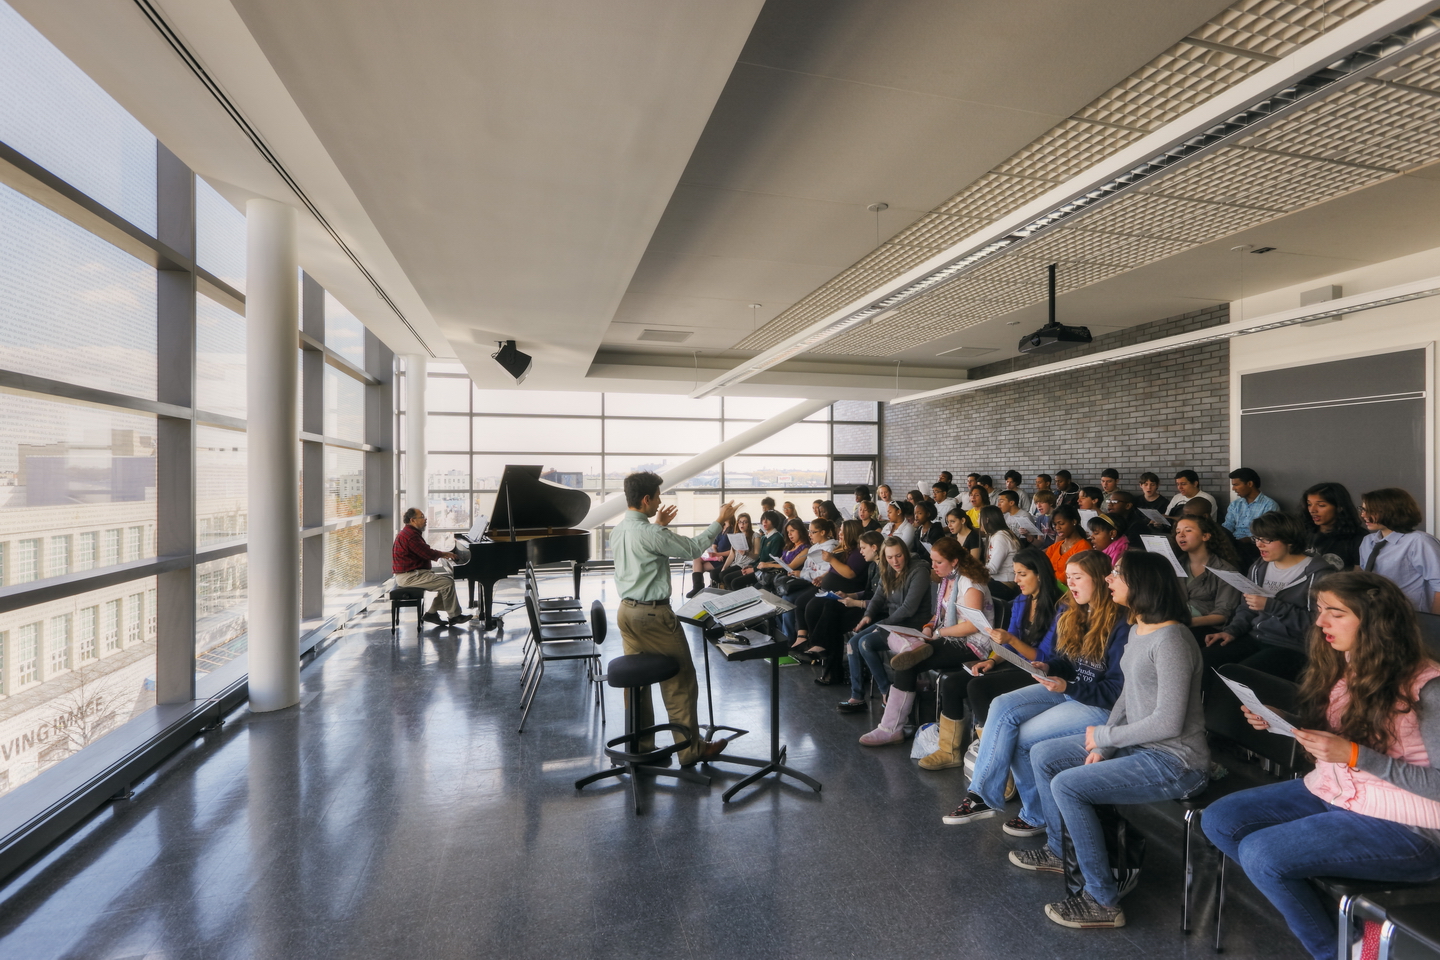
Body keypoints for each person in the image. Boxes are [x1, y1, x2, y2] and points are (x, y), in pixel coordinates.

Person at [1203, 572, 1440, 960]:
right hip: (1338, 791)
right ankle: (1351, 930)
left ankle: (1337, 952)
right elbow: (1347, 738)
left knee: (1263, 855)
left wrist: (1354, 755)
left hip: (1412, 829)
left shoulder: (1429, 687)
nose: (1319, 622)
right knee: (1220, 820)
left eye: (1335, 613)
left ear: (1376, 621)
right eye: (1319, 610)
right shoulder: (1350, 665)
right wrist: (1286, 721)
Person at [1024, 551, 1208, 930]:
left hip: (1177, 760)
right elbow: (1126, 699)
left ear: (1140, 584)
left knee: (1069, 785)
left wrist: (1107, 735)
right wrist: (1106, 744)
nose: (1109, 579)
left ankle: (1102, 900)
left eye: (1118, 575)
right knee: (1044, 754)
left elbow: (1169, 722)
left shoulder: (1173, 639)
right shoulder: (1140, 627)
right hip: (1138, 745)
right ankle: (1059, 851)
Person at [945, 550, 1127, 831]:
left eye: (1077, 578)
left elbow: (1116, 691)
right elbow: (1068, 662)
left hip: (1098, 706)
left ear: (1102, 580)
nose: (1071, 585)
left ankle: (1036, 815)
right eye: (1068, 578)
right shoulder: (1075, 611)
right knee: (1002, 705)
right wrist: (1049, 666)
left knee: (1021, 737)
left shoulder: (1120, 623)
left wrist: (1067, 684)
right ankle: (982, 795)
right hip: (1069, 689)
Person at [609, 472, 737, 765]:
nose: (660, 500)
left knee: (637, 683)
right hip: (654, 615)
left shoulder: (619, 530)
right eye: (657, 496)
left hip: (626, 613)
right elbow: (693, 549)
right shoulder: (653, 534)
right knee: (680, 681)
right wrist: (719, 520)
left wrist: (658, 526)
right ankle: (690, 751)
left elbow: (644, 548)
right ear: (646, 499)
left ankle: (640, 745)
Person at [925, 549, 1065, 771]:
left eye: (1022, 574)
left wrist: (1011, 641)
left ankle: (997, 763)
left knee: (978, 688)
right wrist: (992, 660)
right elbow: (1008, 643)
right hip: (1015, 662)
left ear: (1039, 574)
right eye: (1016, 573)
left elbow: (1044, 658)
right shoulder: (1022, 600)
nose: (1016, 580)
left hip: (1039, 672)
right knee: (953, 684)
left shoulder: (1060, 608)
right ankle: (948, 751)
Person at [854, 537, 992, 745]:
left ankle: (891, 728)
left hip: (971, 645)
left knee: (907, 664)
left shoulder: (970, 583)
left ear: (954, 561)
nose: (933, 567)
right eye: (932, 561)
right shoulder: (948, 579)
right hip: (948, 636)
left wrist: (940, 633)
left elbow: (973, 626)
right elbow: (940, 615)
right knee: (890, 639)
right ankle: (912, 649)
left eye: (938, 562)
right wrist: (929, 627)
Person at [1204, 511, 1331, 684]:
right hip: (1255, 636)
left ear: (1290, 540)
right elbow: (1246, 607)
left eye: (1267, 540)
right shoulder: (1259, 567)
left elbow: (1317, 625)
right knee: (1204, 660)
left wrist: (1271, 606)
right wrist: (1232, 631)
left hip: (1292, 646)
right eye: (1257, 538)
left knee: (1239, 675)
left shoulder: (1319, 574)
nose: (1259, 545)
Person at [838, 536, 933, 716]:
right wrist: (868, 616)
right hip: (893, 623)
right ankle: (857, 697)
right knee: (852, 644)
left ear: (905, 553)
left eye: (898, 556)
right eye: (890, 558)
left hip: (912, 626)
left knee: (865, 644)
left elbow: (908, 609)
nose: (894, 561)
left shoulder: (919, 571)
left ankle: (886, 692)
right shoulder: (888, 569)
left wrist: (882, 625)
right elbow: (879, 597)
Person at [799, 526, 880, 684]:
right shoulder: (872, 566)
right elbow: (868, 591)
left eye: (863, 548)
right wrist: (850, 595)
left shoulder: (883, 568)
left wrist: (856, 601)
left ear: (874, 548)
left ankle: (824, 657)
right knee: (831, 608)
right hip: (864, 603)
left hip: (872, 610)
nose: (861, 551)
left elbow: (882, 600)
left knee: (833, 622)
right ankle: (821, 652)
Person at [1359, 487, 1440, 614]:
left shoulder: (1419, 541)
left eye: (1371, 511)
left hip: (1412, 616)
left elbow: (1439, 585)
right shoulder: (1367, 542)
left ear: (1392, 511)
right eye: (1363, 509)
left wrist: (1435, 624)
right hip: (1376, 615)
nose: (1363, 515)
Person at [392, 508, 470, 627]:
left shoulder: (409, 533)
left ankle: (432, 613)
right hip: (409, 576)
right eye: (422, 517)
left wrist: (444, 554)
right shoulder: (411, 536)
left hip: (411, 573)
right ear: (412, 520)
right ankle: (454, 616)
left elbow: (425, 552)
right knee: (447, 583)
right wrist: (445, 554)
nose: (425, 519)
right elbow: (427, 553)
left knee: (446, 581)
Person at [1172, 514, 1242, 639]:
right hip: (1174, 620)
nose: (1181, 535)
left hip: (1203, 628)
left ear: (1205, 536)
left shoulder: (1226, 570)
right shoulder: (1176, 564)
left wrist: (1185, 622)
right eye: (1178, 532)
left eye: (1188, 530)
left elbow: (1223, 614)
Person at [1299, 481, 1365, 570]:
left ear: (1339, 507)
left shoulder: (1359, 538)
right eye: (1309, 504)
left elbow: (1359, 576)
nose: (1312, 510)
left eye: (1321, 505)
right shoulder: (1302, 530)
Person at [720, 509, 785, 589]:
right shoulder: (764, 537)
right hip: (758, 567)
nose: (764, 522)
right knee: (727, 578)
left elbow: (771, 561)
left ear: (774, 521)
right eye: (763, 519)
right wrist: (751, 566)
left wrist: (753, 569)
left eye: (768, 520)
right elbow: (761, 558)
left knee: (734, 582)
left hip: (767, 571)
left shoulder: (777, 538)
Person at [1223, 467, 1280, 547]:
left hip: (1256, 545)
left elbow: (1268, 532)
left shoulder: (1269, 505)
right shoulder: (1235, 504)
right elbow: (1228, 526)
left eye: (1236, 485)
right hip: (1233, 543)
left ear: (1250, 484)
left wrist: (1249, 539)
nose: (1233, 489)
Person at [686, 515, 736, 598]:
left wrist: (718, 555)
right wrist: (715, 554)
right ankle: (698, 587)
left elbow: (733, 551)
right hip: (717, 558)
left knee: (699, 567)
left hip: (725, 559)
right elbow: (714, 545)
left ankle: (699, 588)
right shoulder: (721, 529)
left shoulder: (733, 530)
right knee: (697, 558)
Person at [980, 505, 1020, 601]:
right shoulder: (996, 535)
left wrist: (972, 571)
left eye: (980, 518)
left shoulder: (1001, 537)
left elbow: (993, 568)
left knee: (972, 586)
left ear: (987, 520)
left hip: (1006, 585)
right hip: (998, 582)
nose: (978, 521)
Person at [1045, 505, 1090, 574]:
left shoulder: (1083, 547)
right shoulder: (1054, 547)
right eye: (1055, 524)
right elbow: (1043, 568)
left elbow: (1072, 574)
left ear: (1074, 522)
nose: (1057, 528)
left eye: (1061, 523)